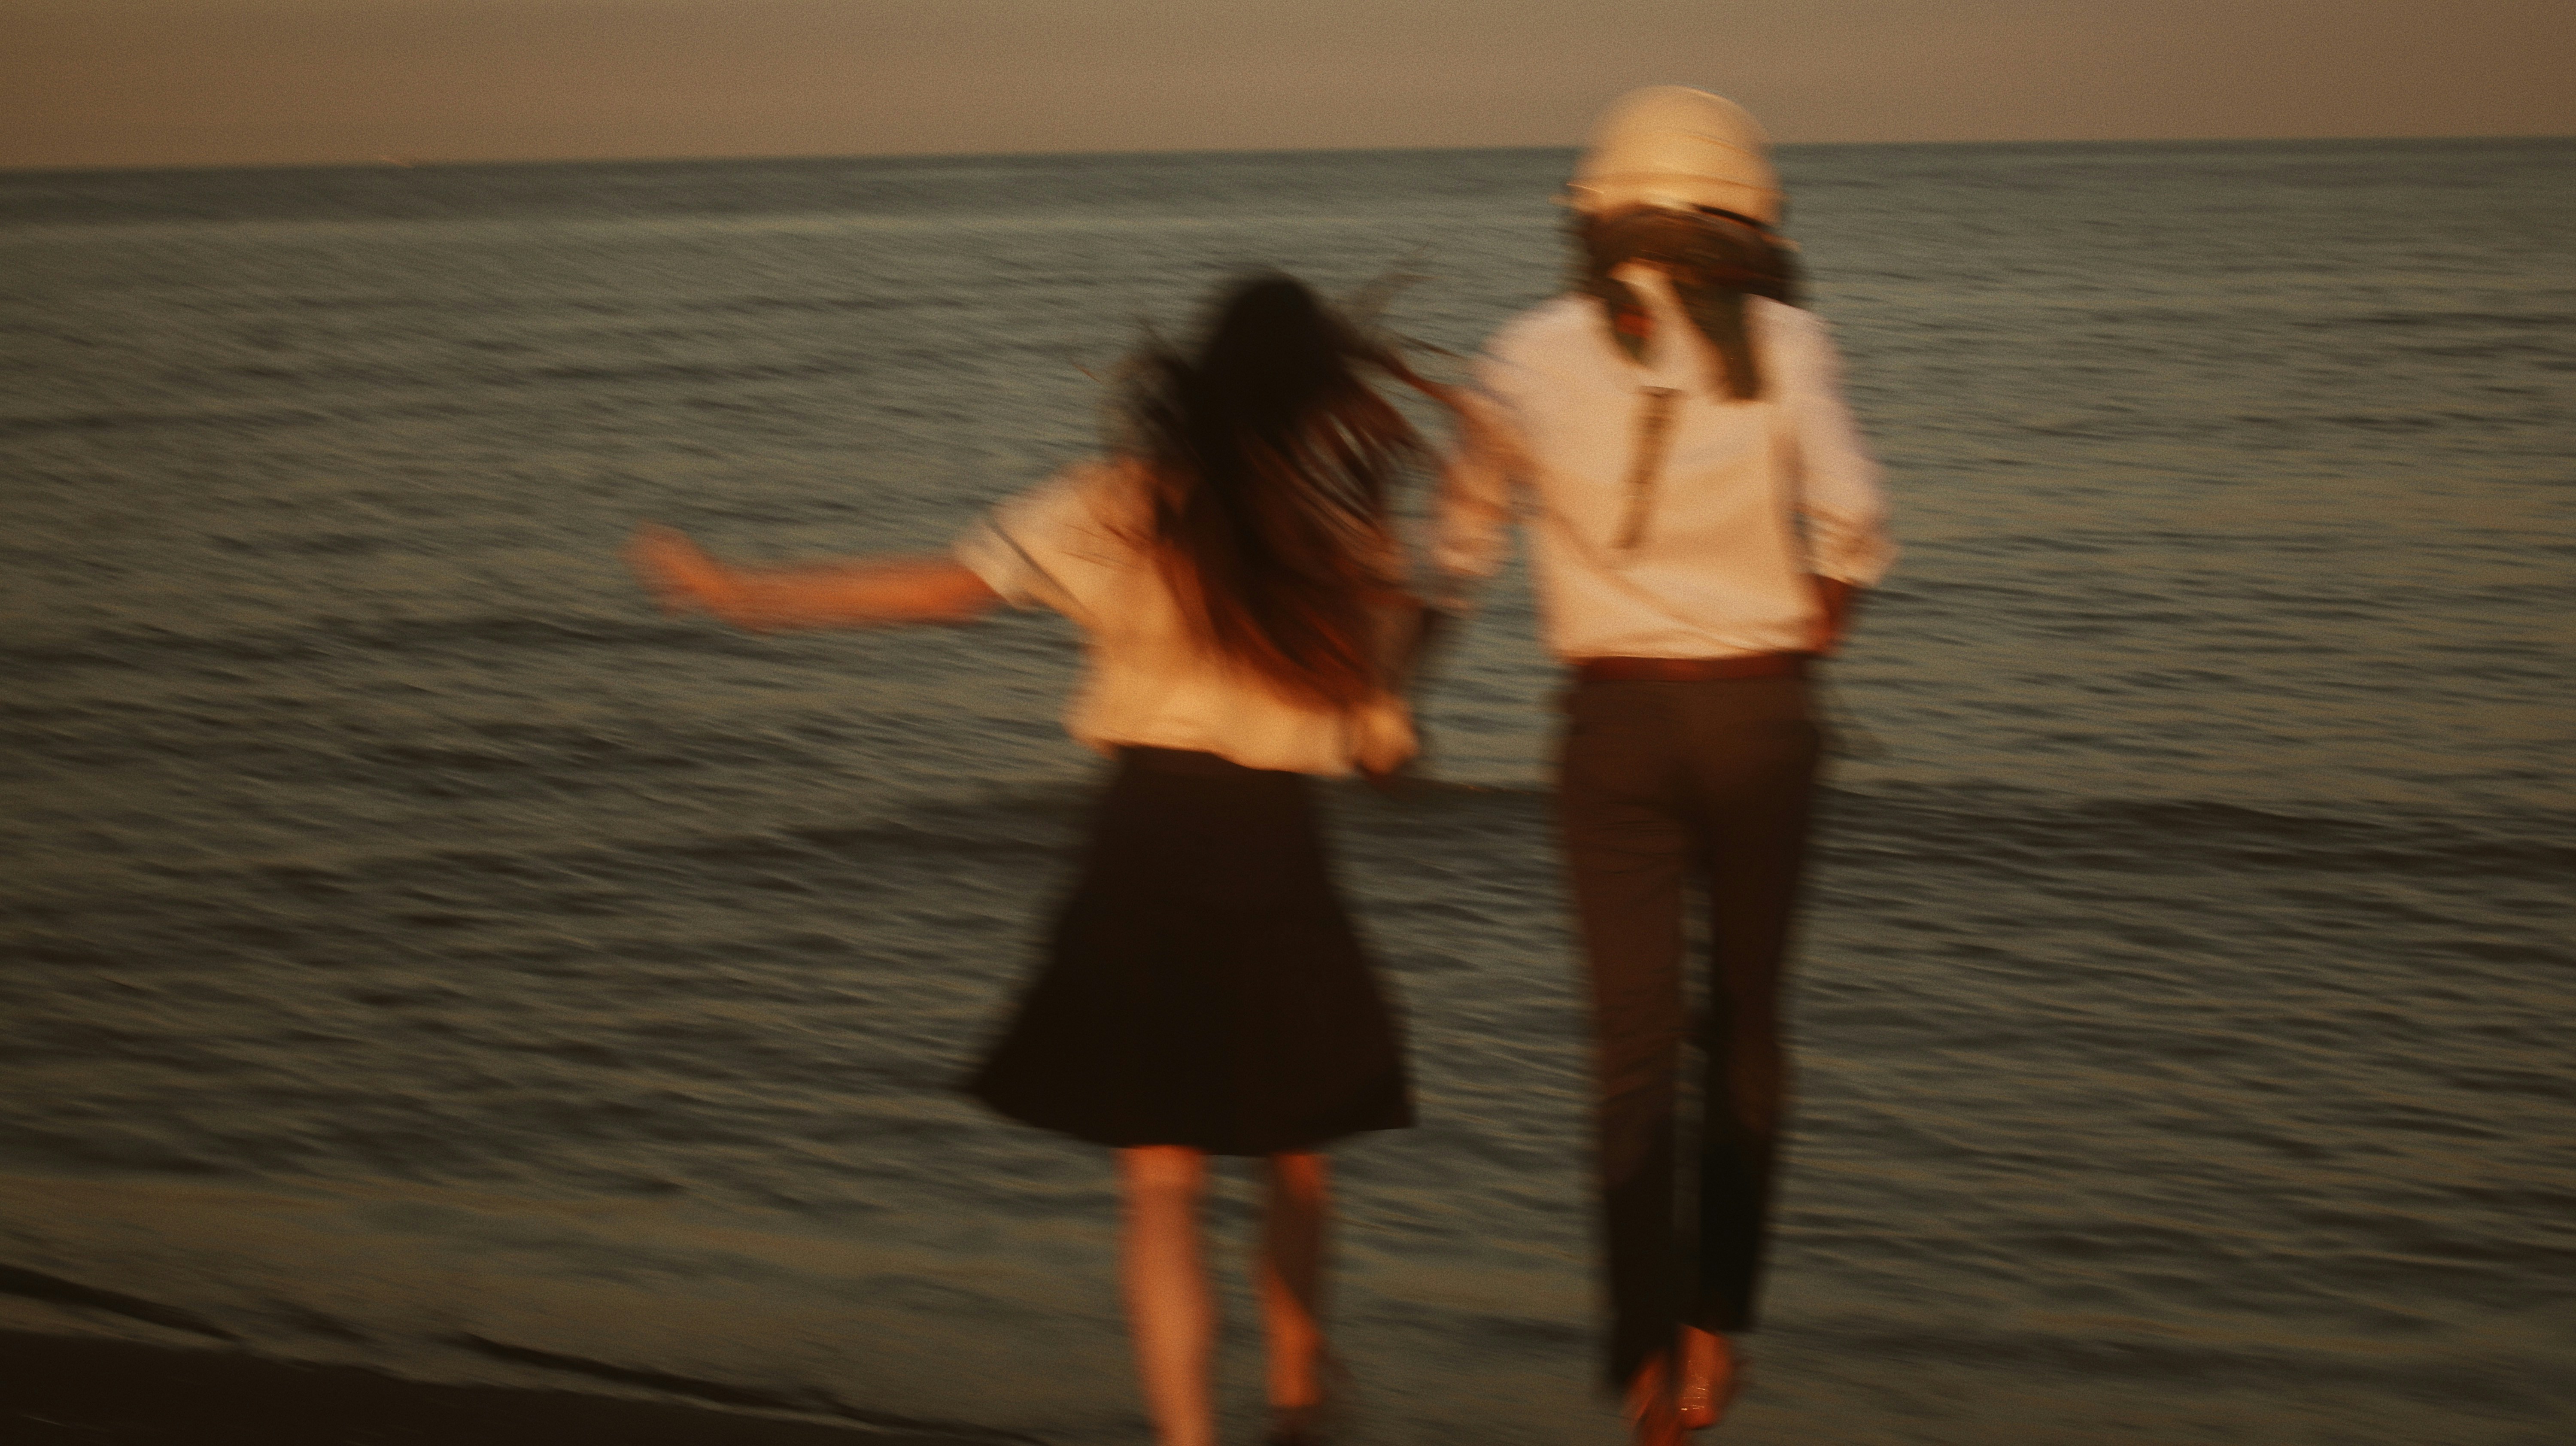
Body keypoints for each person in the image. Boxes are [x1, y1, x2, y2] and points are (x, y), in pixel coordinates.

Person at [627, 273, 1443, 1446]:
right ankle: (1302, 1394)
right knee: (1295, 1156)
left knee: (1162, 1185)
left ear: (1202, 374)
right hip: (1276, 854)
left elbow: (947, 590)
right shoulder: (1343, 539)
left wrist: (752, 596)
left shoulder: (1114, 504)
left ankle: (1185, 1438)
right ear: (1322, 392)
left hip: (1142, 846)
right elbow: (1381, 747)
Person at [1431, 87, 1896, 1440]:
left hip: (1614, 730)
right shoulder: (1796, 344)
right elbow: (1857, 524)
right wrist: (1808, 636)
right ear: (1754, 220)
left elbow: (1456, 555)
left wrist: (1390, 697)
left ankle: (1641, 1359)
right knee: (1745, 1027)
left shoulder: (1523, 351)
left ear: (1593, 220)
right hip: (1762, 718)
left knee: (1629, 1049)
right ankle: (1714, 1336)